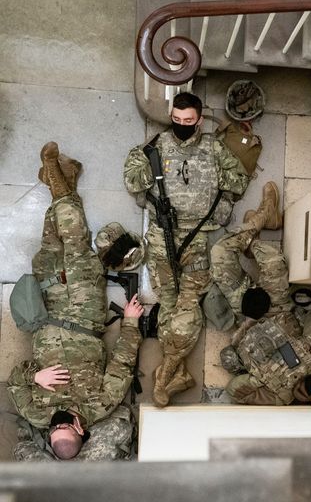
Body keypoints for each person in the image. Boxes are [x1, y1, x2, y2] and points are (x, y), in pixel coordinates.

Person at [7, 142, 143, 460]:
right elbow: (122, 364)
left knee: (50, 245)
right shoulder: (99, 405)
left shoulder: (37, 415)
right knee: (76, 241)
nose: (57, 423)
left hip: (44, 310)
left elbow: (14, 382)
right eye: (64, 426)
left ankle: (63, 180)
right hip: (85, 312)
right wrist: (130, 323)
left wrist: (33, 377)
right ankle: (55, 175)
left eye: (54, 430)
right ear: (81, 430)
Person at [123, 92, 249, 407]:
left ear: (199, 120)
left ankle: (167, 372)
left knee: (189, 304)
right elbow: (132, 181)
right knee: (167, 302)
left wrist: (212, 176)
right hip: (161, 235)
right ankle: (174, 372)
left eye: (188, 120)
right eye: (177, 120)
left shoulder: (213, 148)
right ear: (171, 117)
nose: (182, 125)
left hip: (199, 237)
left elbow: (239, 181)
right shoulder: (154, 147)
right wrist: (154, 171)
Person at [211, 182, 311, 408]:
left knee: (219, 252)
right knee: (273, 260)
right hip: (276, 307)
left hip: (245, 318)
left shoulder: (279, 397)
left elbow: (235, 391)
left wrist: (256, 377)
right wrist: (307, 341)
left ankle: (257, 225)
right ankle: (260, 226)